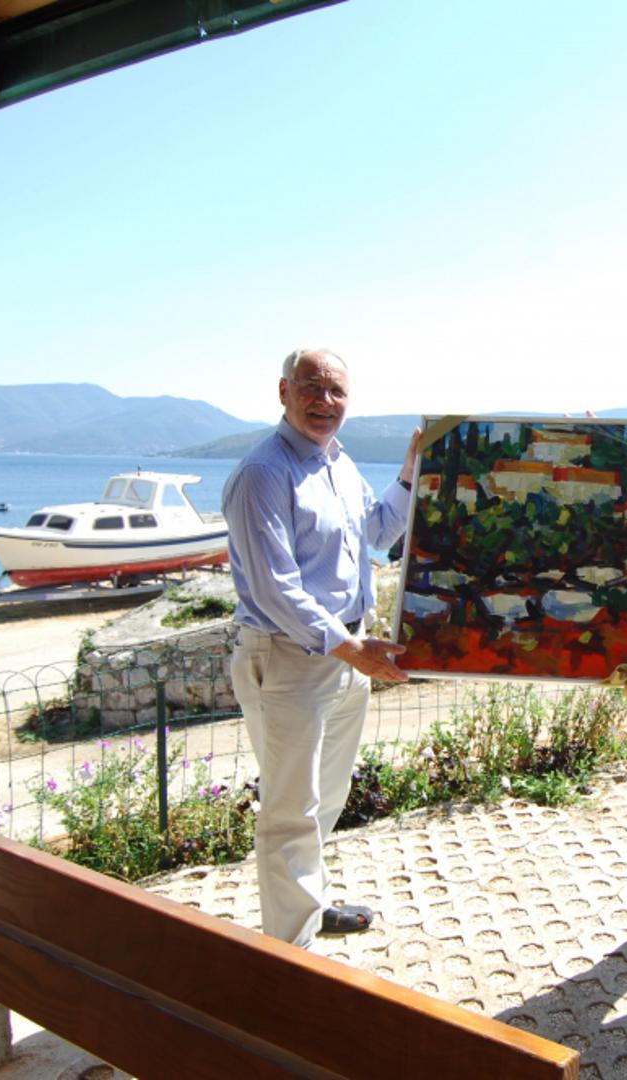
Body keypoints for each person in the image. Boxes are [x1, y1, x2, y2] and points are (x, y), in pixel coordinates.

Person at [223, 347, 420, 950]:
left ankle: (309, 909)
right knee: (290, 810)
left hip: (343, 655)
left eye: (336, 392)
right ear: (283, 391)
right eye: (312, 387)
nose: (324, 401)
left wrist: (410, 474)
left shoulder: (338, 462)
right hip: (290, 658)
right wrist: (351, 648)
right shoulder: (263, 473)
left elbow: (378, 531)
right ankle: (293, 954)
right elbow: (274, 588)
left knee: (327, 795)